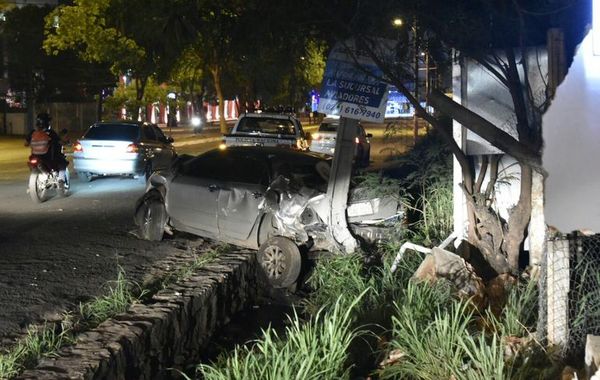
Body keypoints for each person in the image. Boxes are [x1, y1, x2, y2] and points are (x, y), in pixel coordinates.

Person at [25, 112, 68, 183]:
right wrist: (65, 142)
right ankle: (61, 180)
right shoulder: (51, 133)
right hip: (49, 158)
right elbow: (60, 142)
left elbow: (26, 144)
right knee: (63, 163)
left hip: (34, 157)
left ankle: (44, 176)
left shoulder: (32, 133)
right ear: (48, 122)